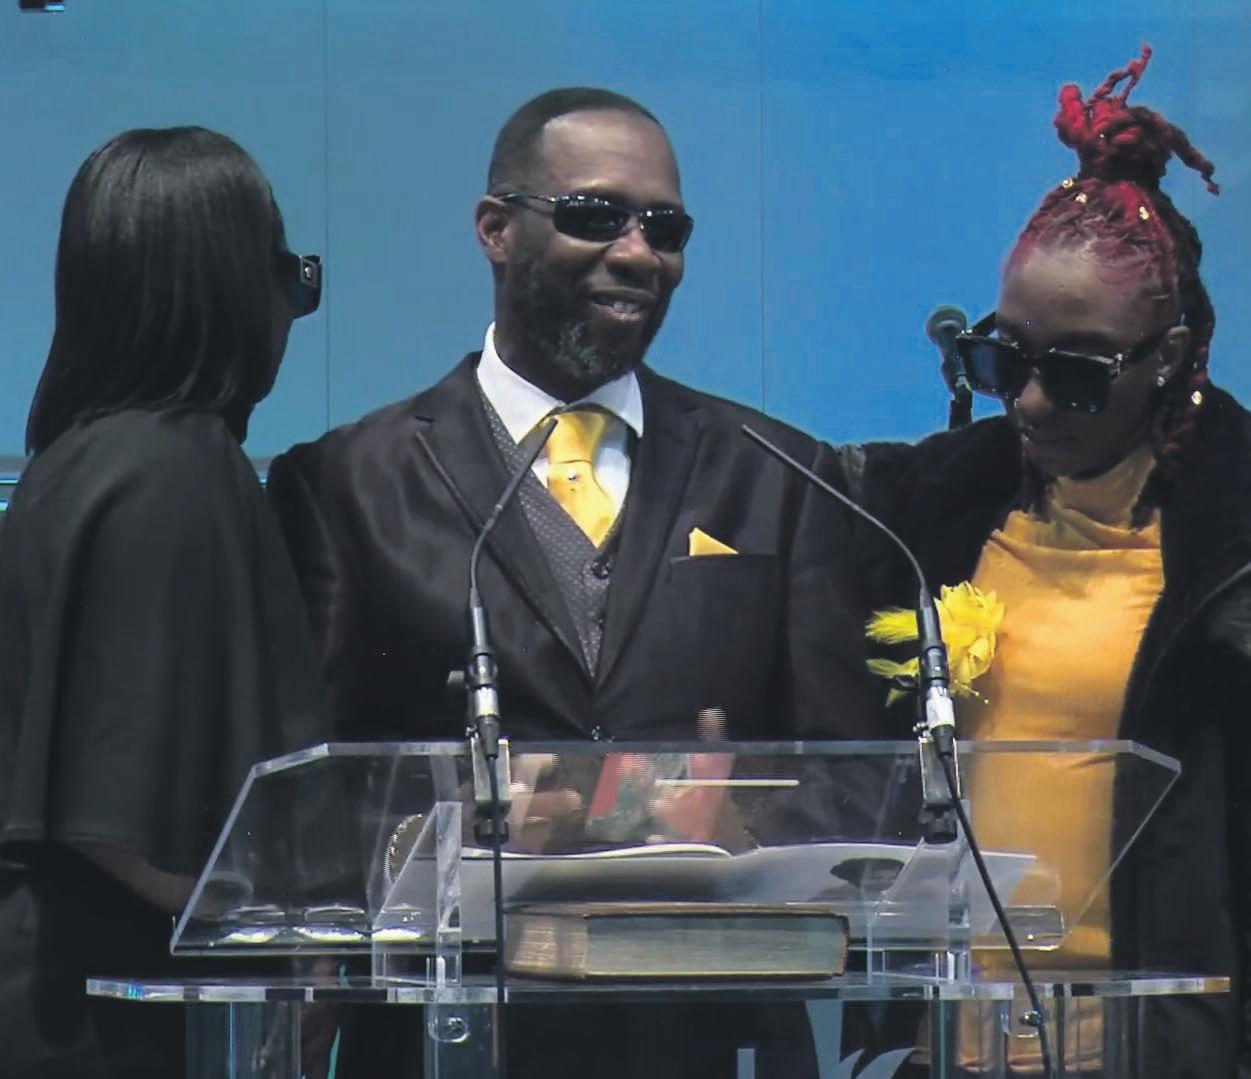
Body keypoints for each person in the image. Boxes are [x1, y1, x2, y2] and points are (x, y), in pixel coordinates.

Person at [268, 87, 881, 1077]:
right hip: (454, 1031)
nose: (637, 253)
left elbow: (854, 770)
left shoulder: (778, 470)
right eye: (595, 216)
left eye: (665, 228)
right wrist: (454, 828)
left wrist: (743, 821)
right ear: (495, 228)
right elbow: (308, 792)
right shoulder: (346, 481)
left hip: (708, 1032)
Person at [852, 48, 1249, 1077]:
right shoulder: (932, 503)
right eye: (1001, 359)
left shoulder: (1233, 538)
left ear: (1170, 355)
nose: (1026, 401)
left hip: (1158, 1051)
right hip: (949, 1050)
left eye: (1073, 372)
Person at [0, 126, 329, 1078]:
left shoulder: (74, 464)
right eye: (287, 274)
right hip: (112, 1018)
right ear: (227, 286)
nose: (291, 308)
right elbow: (125, 825)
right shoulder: (175, 469)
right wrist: (305, 932)